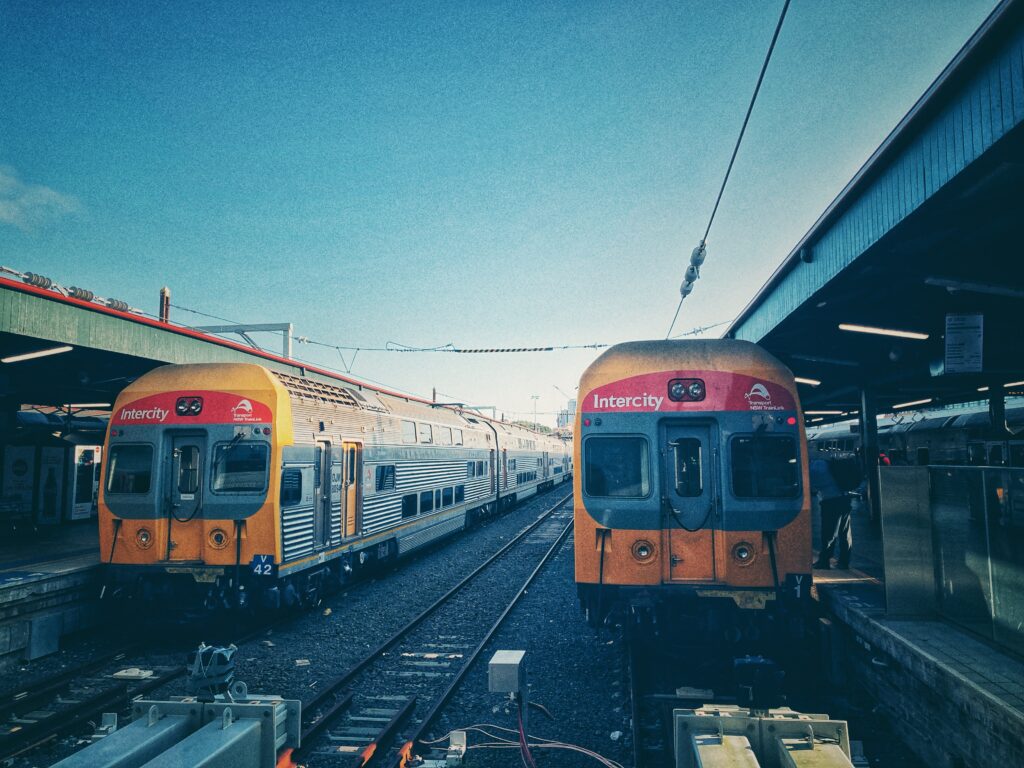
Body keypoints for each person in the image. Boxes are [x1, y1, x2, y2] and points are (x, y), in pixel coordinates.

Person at [809, 452, 853, 570]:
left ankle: (824, 561)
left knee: (829, 533)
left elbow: (808, 487)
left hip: (831, 502)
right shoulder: (824, 463)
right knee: (845, 533)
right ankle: (844, 561)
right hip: (845, 498)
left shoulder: (812, 469)